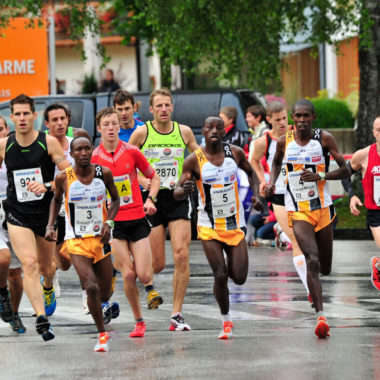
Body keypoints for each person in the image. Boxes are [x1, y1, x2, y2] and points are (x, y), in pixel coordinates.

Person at [265, 99, 350, 339]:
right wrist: (272, 184)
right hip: (298, 210)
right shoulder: (284, 141)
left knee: (325, 267)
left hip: (323, 209)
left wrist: (321, 175)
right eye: (297, 116)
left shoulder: (324, 139)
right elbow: (275, 163)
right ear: (292, 118)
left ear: (313, 117)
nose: (301, 120)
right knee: (310, 258)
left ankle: (317, 293)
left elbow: (346, 169)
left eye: (306, 116)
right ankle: (320, 316)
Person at [174, 116, 260, 339]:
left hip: (235, 224)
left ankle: (232, 268)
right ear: (202, 131)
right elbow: (176, 191)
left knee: (239, 277)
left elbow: (252, 174)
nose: (213, 130)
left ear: (224, 132)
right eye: (209, 127)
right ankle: (226, 320)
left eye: (218, 127)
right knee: (220, 274)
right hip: (208, 226)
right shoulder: (194, 160)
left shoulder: (236, 153)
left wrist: (257, 195)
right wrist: (185, 189)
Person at [0, 94, 70, 341]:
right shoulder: (4, 144)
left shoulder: (48, 142)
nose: (21, 118)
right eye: (16, 114)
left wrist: (48, 185)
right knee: (28, 263)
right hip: (17, 214)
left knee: (47, 267)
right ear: (12, 116)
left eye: (25, 113)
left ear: (34, 115)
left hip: (46, 215)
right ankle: (41, 317)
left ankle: (48, 286)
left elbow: (68, 175)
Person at [129, 88, 198, 331]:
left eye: (167, 105)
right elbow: (127, 163)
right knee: (156, 265)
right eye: (159, 106)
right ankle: (137, 269)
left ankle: (176, 314)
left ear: (172, 107)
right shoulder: (141, 133)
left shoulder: (184, 132)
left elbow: (198, 157)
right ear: (151, 110)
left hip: (178, 197)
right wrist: (140, 180)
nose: (164, 110)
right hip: (152, 200)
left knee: (181, 254)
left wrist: (193, 174)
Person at [45, 136, 120, 352]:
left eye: (88, 148)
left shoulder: (103, 174)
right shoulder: (63, 178)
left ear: (93, 150)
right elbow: (56, 200)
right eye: (79, 149)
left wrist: (109, 222)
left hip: (100, 239)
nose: (84, 152)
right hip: (76, 241)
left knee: (103, 293)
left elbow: (115, 199)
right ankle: (102, 335)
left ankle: (103, 298)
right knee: (91, 286)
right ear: (73, 153)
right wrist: (51, 225)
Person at [92, 107, 161, 337]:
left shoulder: (131, 152)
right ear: (99, 128)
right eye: (106, 124)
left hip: (137, 218)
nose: (111, 128)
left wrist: (150, 198)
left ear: (119, 127)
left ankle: (150, 289)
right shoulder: (93, 158)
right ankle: (139, 321)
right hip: (114, 224)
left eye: (114, 124)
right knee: (128, 274)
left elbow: (154, 177)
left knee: (143, 272)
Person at [250, 101, 311, 302]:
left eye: (285, 118)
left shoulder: (298, 133)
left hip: (301, 191)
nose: (283, 122)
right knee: (297, 241)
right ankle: (309, 290)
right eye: (278, 120)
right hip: (280, 192)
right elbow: (253, 160)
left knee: (308, 236)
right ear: (269, 120)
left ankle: (282, 234)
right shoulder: (264, 141)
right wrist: (262, 181)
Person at [44, 103, 90, 311]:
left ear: (68, 120)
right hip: (52, 206)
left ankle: (86, 297)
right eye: (55, 120)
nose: (60, 123)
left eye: (63, 118)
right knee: (62, 263)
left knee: (82, 253)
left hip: (76, 206)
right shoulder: (43, 146)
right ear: (47, 123)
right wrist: (51, 186)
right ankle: (50, 279)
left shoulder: (77, 145)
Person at [344, 117, 380, 291]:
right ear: (373, 132)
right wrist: (352, 196)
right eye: (379, 130)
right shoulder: (364, 155)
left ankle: (378, 265)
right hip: (376, 214)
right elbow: (344, 173)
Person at [0, 116, 25, 333]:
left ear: (7, 130)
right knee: (3, 258)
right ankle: (1, 293)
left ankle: (15, 314)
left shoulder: (16, 152)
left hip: (16, 215)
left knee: (15, 273)